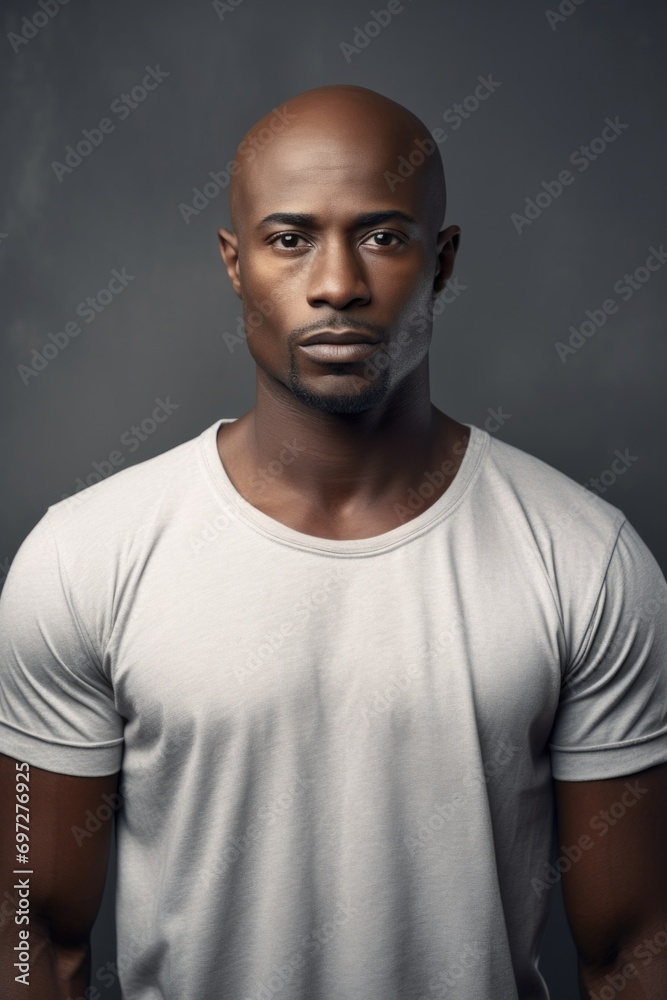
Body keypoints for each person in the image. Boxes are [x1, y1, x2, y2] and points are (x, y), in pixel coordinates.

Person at [1, 84, 666, 1000]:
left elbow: (634, 952)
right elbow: (29, 929)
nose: (336, 283)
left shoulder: (584, 560)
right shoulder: (84, 558)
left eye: (383, 236)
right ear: (235, 264)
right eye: (289, 239)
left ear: (442, 260)